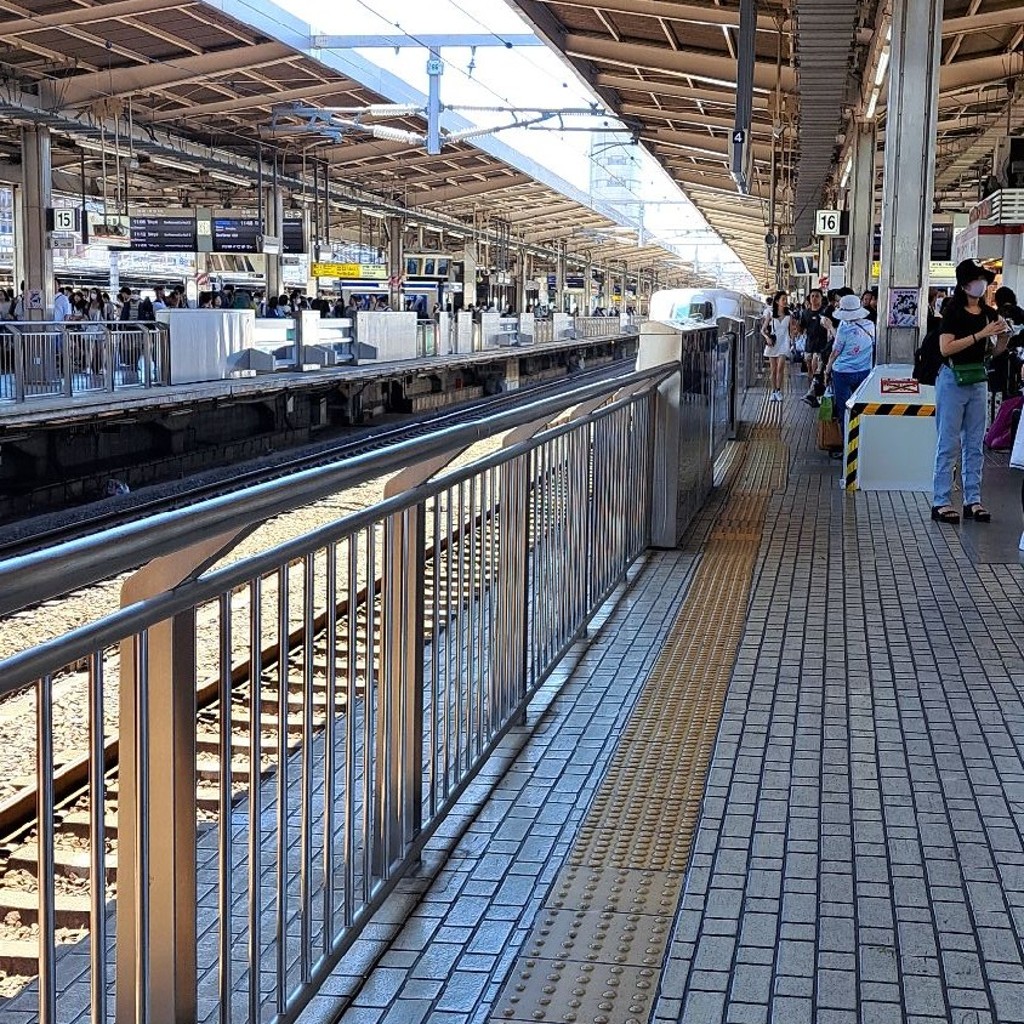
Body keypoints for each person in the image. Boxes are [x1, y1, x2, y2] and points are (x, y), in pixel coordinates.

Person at [931, 259, 1010, 524]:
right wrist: (982, 333)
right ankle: (941, 500)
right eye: (979, 280)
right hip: (952, 377)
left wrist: (1003, 337)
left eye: (985, 280)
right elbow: (946, 348)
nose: (983, 285)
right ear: (965, 284)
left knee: (975, 443)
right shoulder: (952, 311)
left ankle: (972, 500)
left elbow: (994, 352)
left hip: (978, 377)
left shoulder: (989, 313)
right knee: (948, 442)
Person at [825, 293, 875, 441]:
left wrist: (827, 369)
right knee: (860, 408)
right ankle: (860, 442)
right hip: (864, 372)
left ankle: (846, 445)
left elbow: (835, 352)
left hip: (843, 374)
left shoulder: (844, 328)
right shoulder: (870, 325)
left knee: (844, 410)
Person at [800, 288, 834, 407]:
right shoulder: (805, 313)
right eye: (812, 296)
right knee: (810, 369)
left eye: (817, 296)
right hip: (809, 345)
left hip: (821, 346)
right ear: (809, 299)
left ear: (821, 298)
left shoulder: (825, 313)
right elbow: (802, 328)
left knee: (817, 369)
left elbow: (829, 328)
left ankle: (815, 393)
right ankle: (812, 391)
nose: (814, 298)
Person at [761, 290, 791, 402]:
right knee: (773, 370)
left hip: (784, 343)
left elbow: (792, 330)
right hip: (773, 343)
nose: (785, 301)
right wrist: (767, 337)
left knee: (780, 368)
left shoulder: (789, 314)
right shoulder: (771, 314)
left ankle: (778, 391)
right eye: (783, 299)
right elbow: (762, 330)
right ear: (777, 301)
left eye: (786, 299)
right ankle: (773, 391)